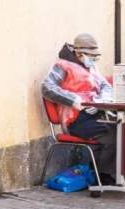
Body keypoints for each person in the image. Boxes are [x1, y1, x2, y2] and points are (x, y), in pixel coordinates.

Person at [41, 34, 116, 184]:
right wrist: (75, 101)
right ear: (79, 53)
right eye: (91, 56)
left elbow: (105, 86)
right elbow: (47, 87)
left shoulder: (91, 67)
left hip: (95, 113)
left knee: (120, 128)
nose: (93, 59)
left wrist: (100, 100)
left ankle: (101, 172)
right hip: (76, 120)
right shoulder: (62, 66)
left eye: (95, 56)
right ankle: (102, 175)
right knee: (113, 134)